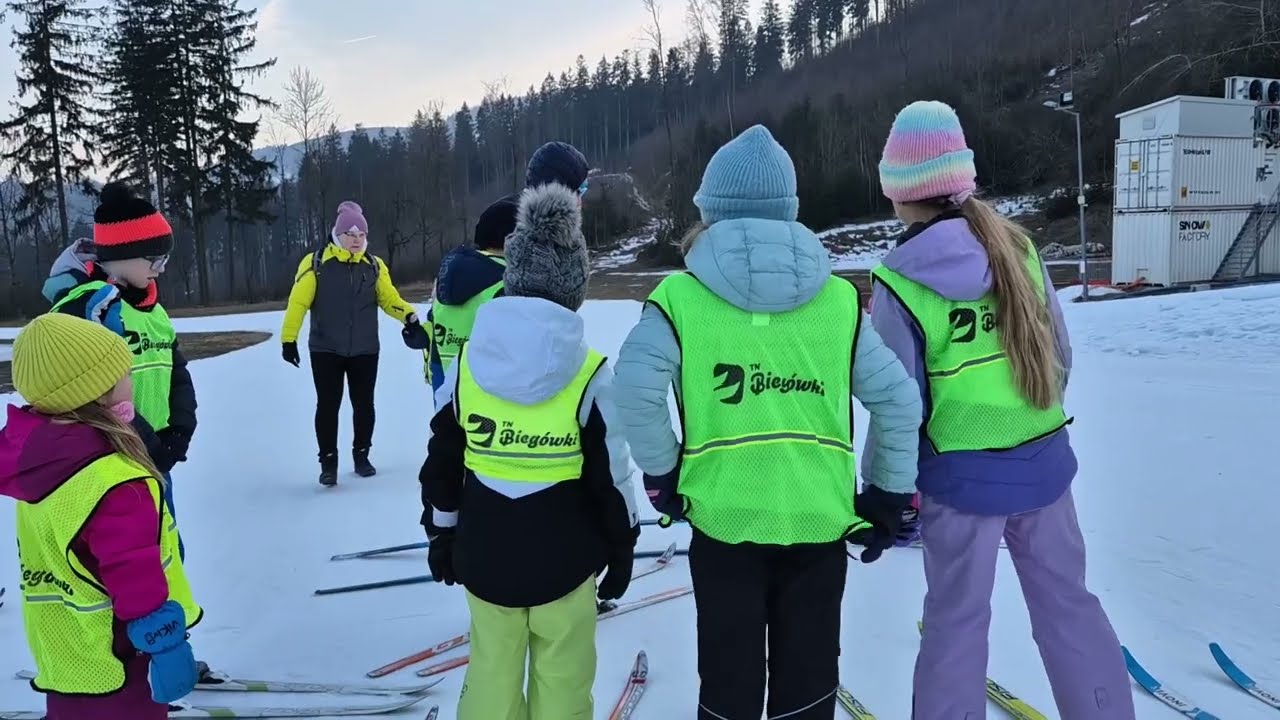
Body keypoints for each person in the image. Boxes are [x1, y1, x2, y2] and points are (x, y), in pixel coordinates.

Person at [613, 125, 923, 720]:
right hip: (817, 523)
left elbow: (635, 386)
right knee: (806, 694)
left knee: (728, 689)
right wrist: (887, 493)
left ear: (710, 212)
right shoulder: (836, 303)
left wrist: (664, 472)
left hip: (724, 522)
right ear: (790, 213)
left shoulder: (681, 297)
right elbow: (897, 402)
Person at [868, 100, 1133, 719]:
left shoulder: (900, 280)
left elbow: (897, 404)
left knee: (956, 625)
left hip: (959, 482)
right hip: (1044, 465)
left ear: (900, 190)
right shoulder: (1020, 249)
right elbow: (1058, 356)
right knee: (1069, 606)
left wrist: (889, 492)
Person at [419, 181, 639, 720]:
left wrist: (442, 533)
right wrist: (623, 542)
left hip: (487, 557)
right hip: (565, 565)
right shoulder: (588, 373)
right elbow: (612, 475)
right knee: (562, 682)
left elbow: (444, 461)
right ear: (574, 285)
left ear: (513, 278)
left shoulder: (470, 364)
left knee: (492, 678)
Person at [0, 313, 202, 720]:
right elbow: (134, 573)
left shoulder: (43, 463)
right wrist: (165, 645)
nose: (131, 380)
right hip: (124, 658)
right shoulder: (113, 481)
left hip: (68, 653)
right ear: (102, 392)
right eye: (124, 373)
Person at [43, 182, 197, 561]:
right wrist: (147, 446)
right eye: (153, 259)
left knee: (166, 551)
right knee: (128, 559)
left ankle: (172, 619)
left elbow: (176, 371)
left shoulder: (154, 311)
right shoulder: (90, 308)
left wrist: (180, 428)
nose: (160, 269)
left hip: (156, 457)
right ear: (122, 255)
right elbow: (99, 394)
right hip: (111, 462)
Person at [280, 200, 420, 486]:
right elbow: (298, 303)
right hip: (326, 349)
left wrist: (408, 315)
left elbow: (389, 299)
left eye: (361, 235)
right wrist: (288, 339)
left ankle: (361, 456)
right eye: (350, 235)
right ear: (338, 235)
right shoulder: (316, 263)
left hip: (365, 349)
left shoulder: (374, 266)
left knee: (364, 405)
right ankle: (328, 463)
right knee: (328, 405)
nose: (356, 241)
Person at [404, 196, 518, 401]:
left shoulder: (447, 275)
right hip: (489, 392)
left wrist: (422, 335)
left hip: (444, 382)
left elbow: (437, 324)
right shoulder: (508, 281)